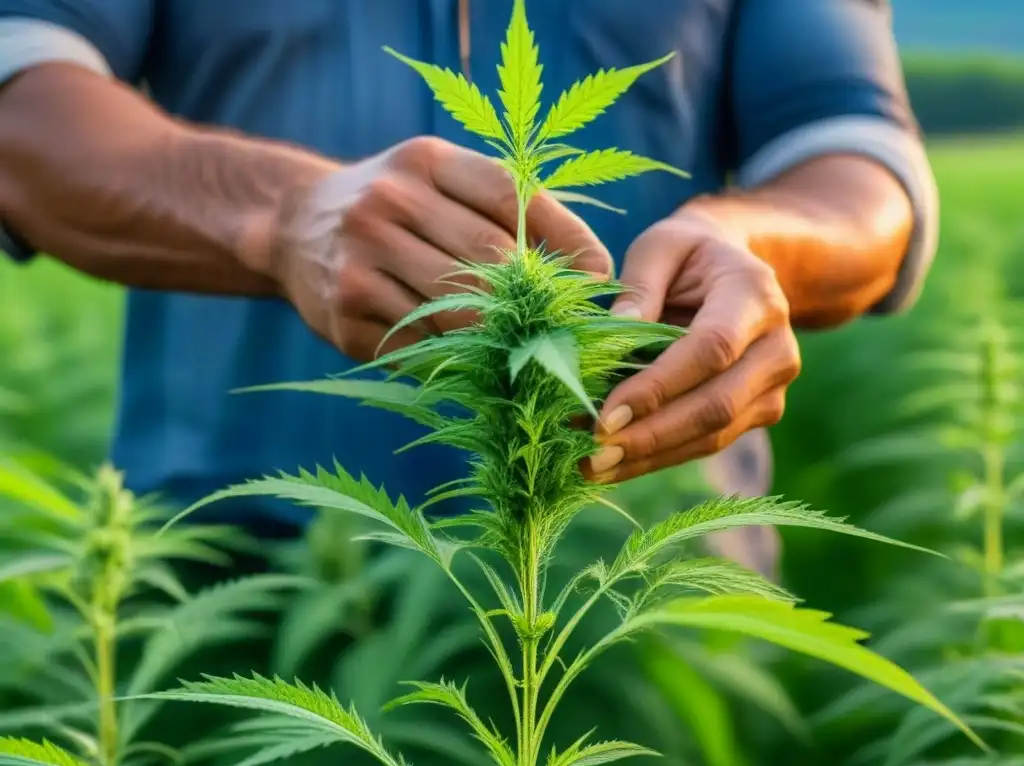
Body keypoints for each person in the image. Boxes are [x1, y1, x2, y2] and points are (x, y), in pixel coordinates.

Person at [0, 1, 937, 537]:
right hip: (240, 569)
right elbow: (21, 86)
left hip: (642, 589)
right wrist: (280, 216)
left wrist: (760, 242)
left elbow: (856, 155)